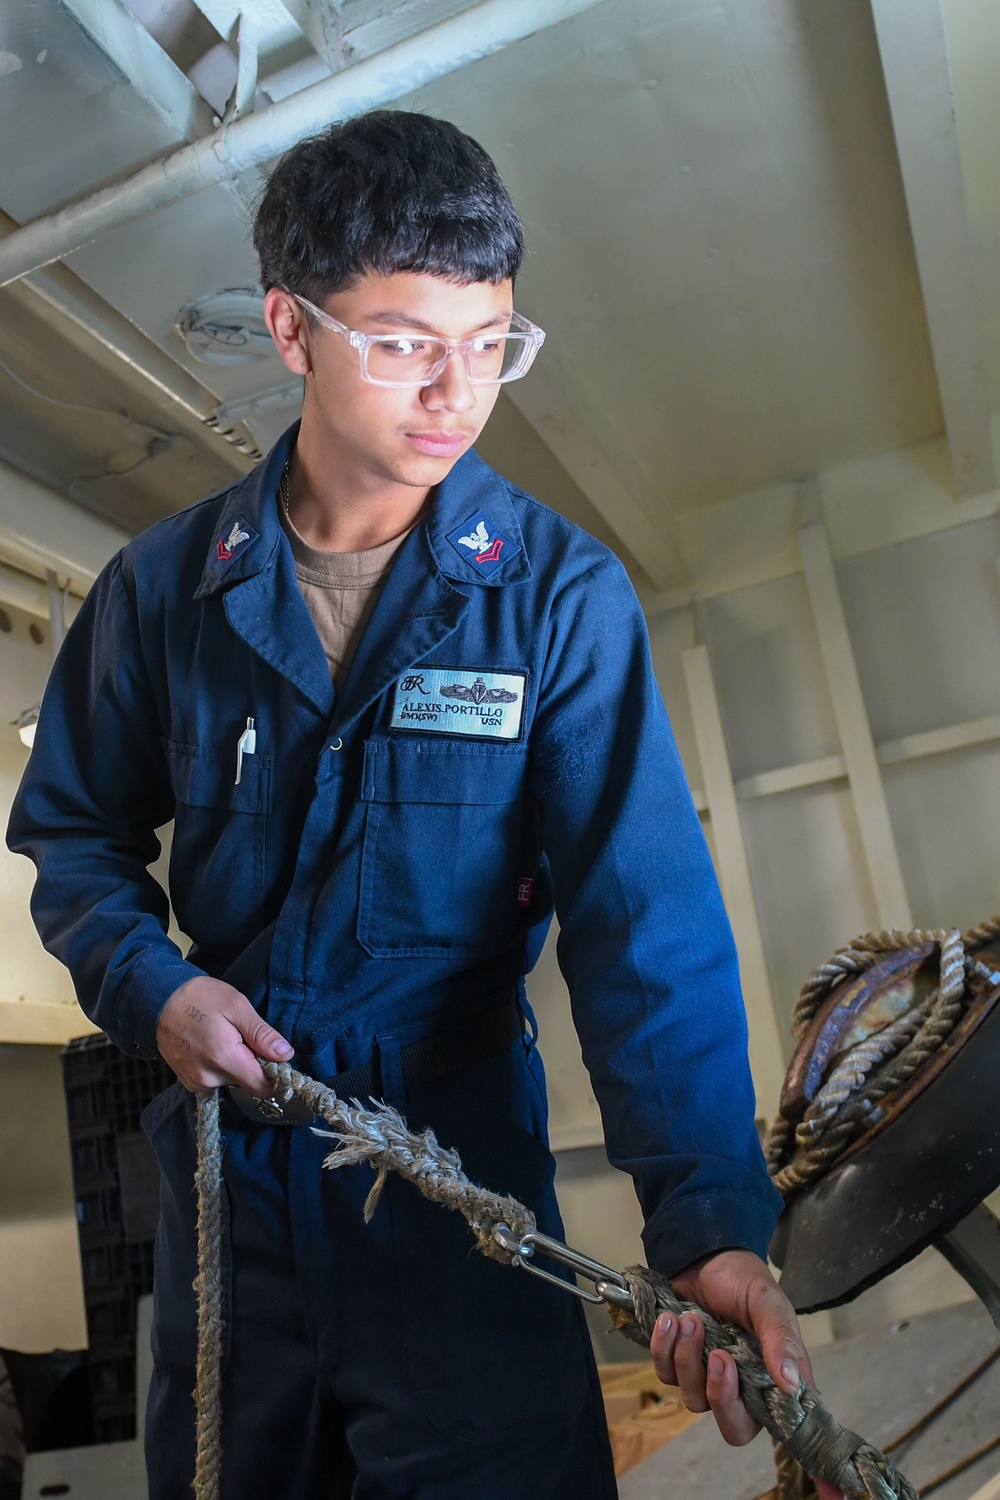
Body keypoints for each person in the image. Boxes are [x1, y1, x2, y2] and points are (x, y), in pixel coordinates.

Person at [8, 110, 835, 1499]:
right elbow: (73, 837)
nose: (457, 392)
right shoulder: (160, 597)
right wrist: (152, 984)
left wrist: (706, 1227)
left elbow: (643, 926)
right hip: (233, 1184)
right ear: (291, 329)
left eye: (492, 341)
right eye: (402, 343)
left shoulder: (557, 600)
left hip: (458, 1188)